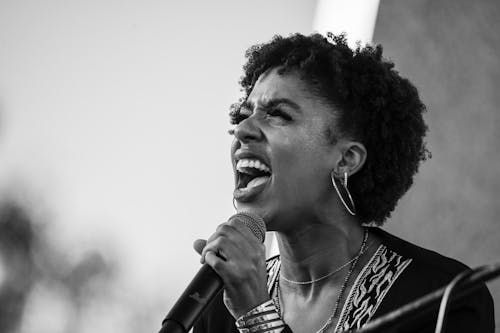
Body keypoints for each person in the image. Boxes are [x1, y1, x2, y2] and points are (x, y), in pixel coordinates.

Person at [192, 33, 495, 333]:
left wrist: (257, 316)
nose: (242, 129)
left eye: (278, 114)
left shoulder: (442, 298)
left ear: (346, 160)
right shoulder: (219, 304)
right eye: (243, 115)